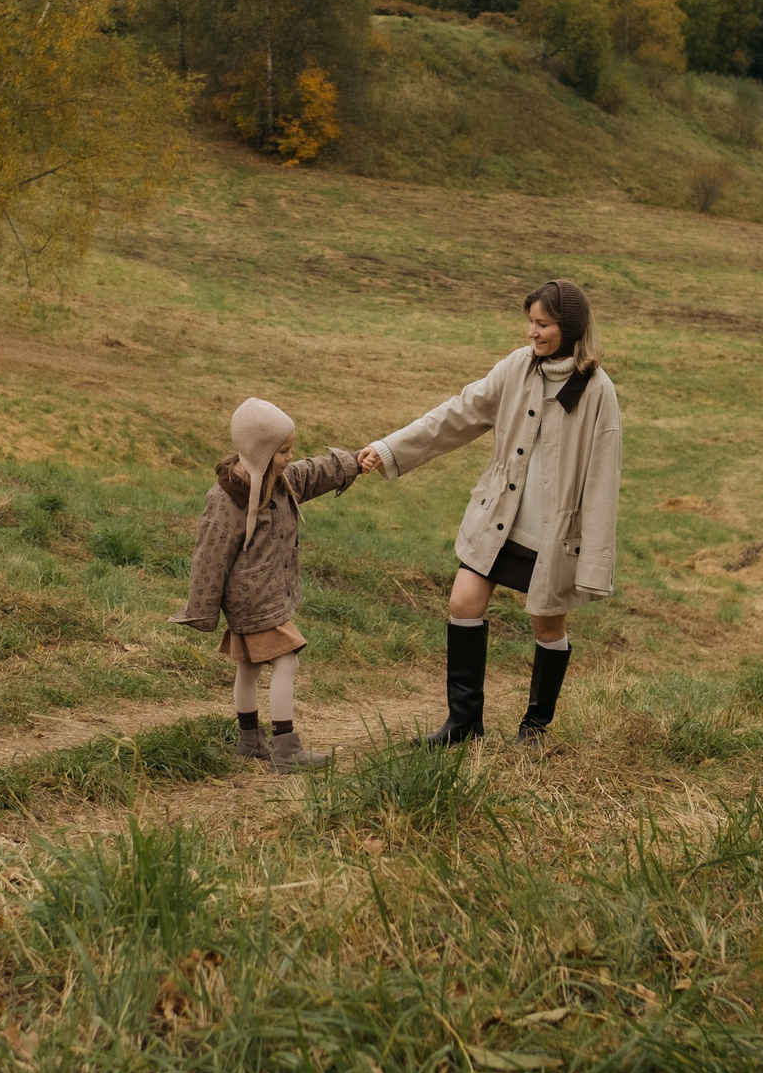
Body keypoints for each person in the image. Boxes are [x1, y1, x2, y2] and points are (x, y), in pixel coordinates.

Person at [358, 279, 622, 746]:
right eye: (531, 322)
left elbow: (603, 481)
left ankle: (535, 727)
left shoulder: (599, 391)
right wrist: (389, 448)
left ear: (569, 327)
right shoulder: (517, 368)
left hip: (552, 536)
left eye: (542, 324)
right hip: (498, 519)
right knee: (463, 602)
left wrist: (594, 563)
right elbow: (457, 414)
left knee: (546, 623)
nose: (531, 333)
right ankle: (463, 726)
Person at [172, 397, 362, 772]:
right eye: (283, 451)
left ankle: (249, 742)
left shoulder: (279, 481)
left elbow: (312, 473)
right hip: (252, 598)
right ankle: (286, 750)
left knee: (249, 666)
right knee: (286, 661)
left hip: (262, 594)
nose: (290, 457)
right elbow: (209, 556)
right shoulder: (227, 499)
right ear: (260, 451)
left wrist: (354, 462)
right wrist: (200, 609)